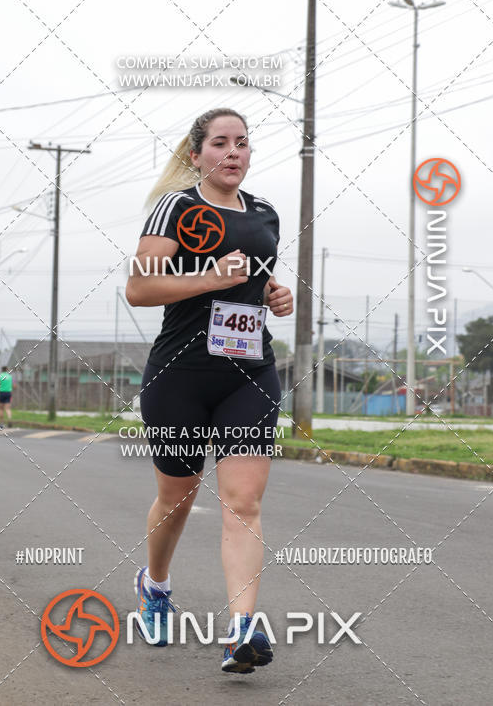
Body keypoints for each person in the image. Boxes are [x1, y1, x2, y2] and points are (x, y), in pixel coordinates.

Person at [126, 107, 293, 674]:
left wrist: (273, 295)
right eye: (220, 143)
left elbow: (254, 277)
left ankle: (241, 630)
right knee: (178, 497)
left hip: (249, 372)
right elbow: (139, 288)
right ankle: (155, 584)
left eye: (242, 143)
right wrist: (210, 278)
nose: (233, 153)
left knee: (243, 502)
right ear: (196, 154)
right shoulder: (178, 207)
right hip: (180, 374)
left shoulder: (266, 213)